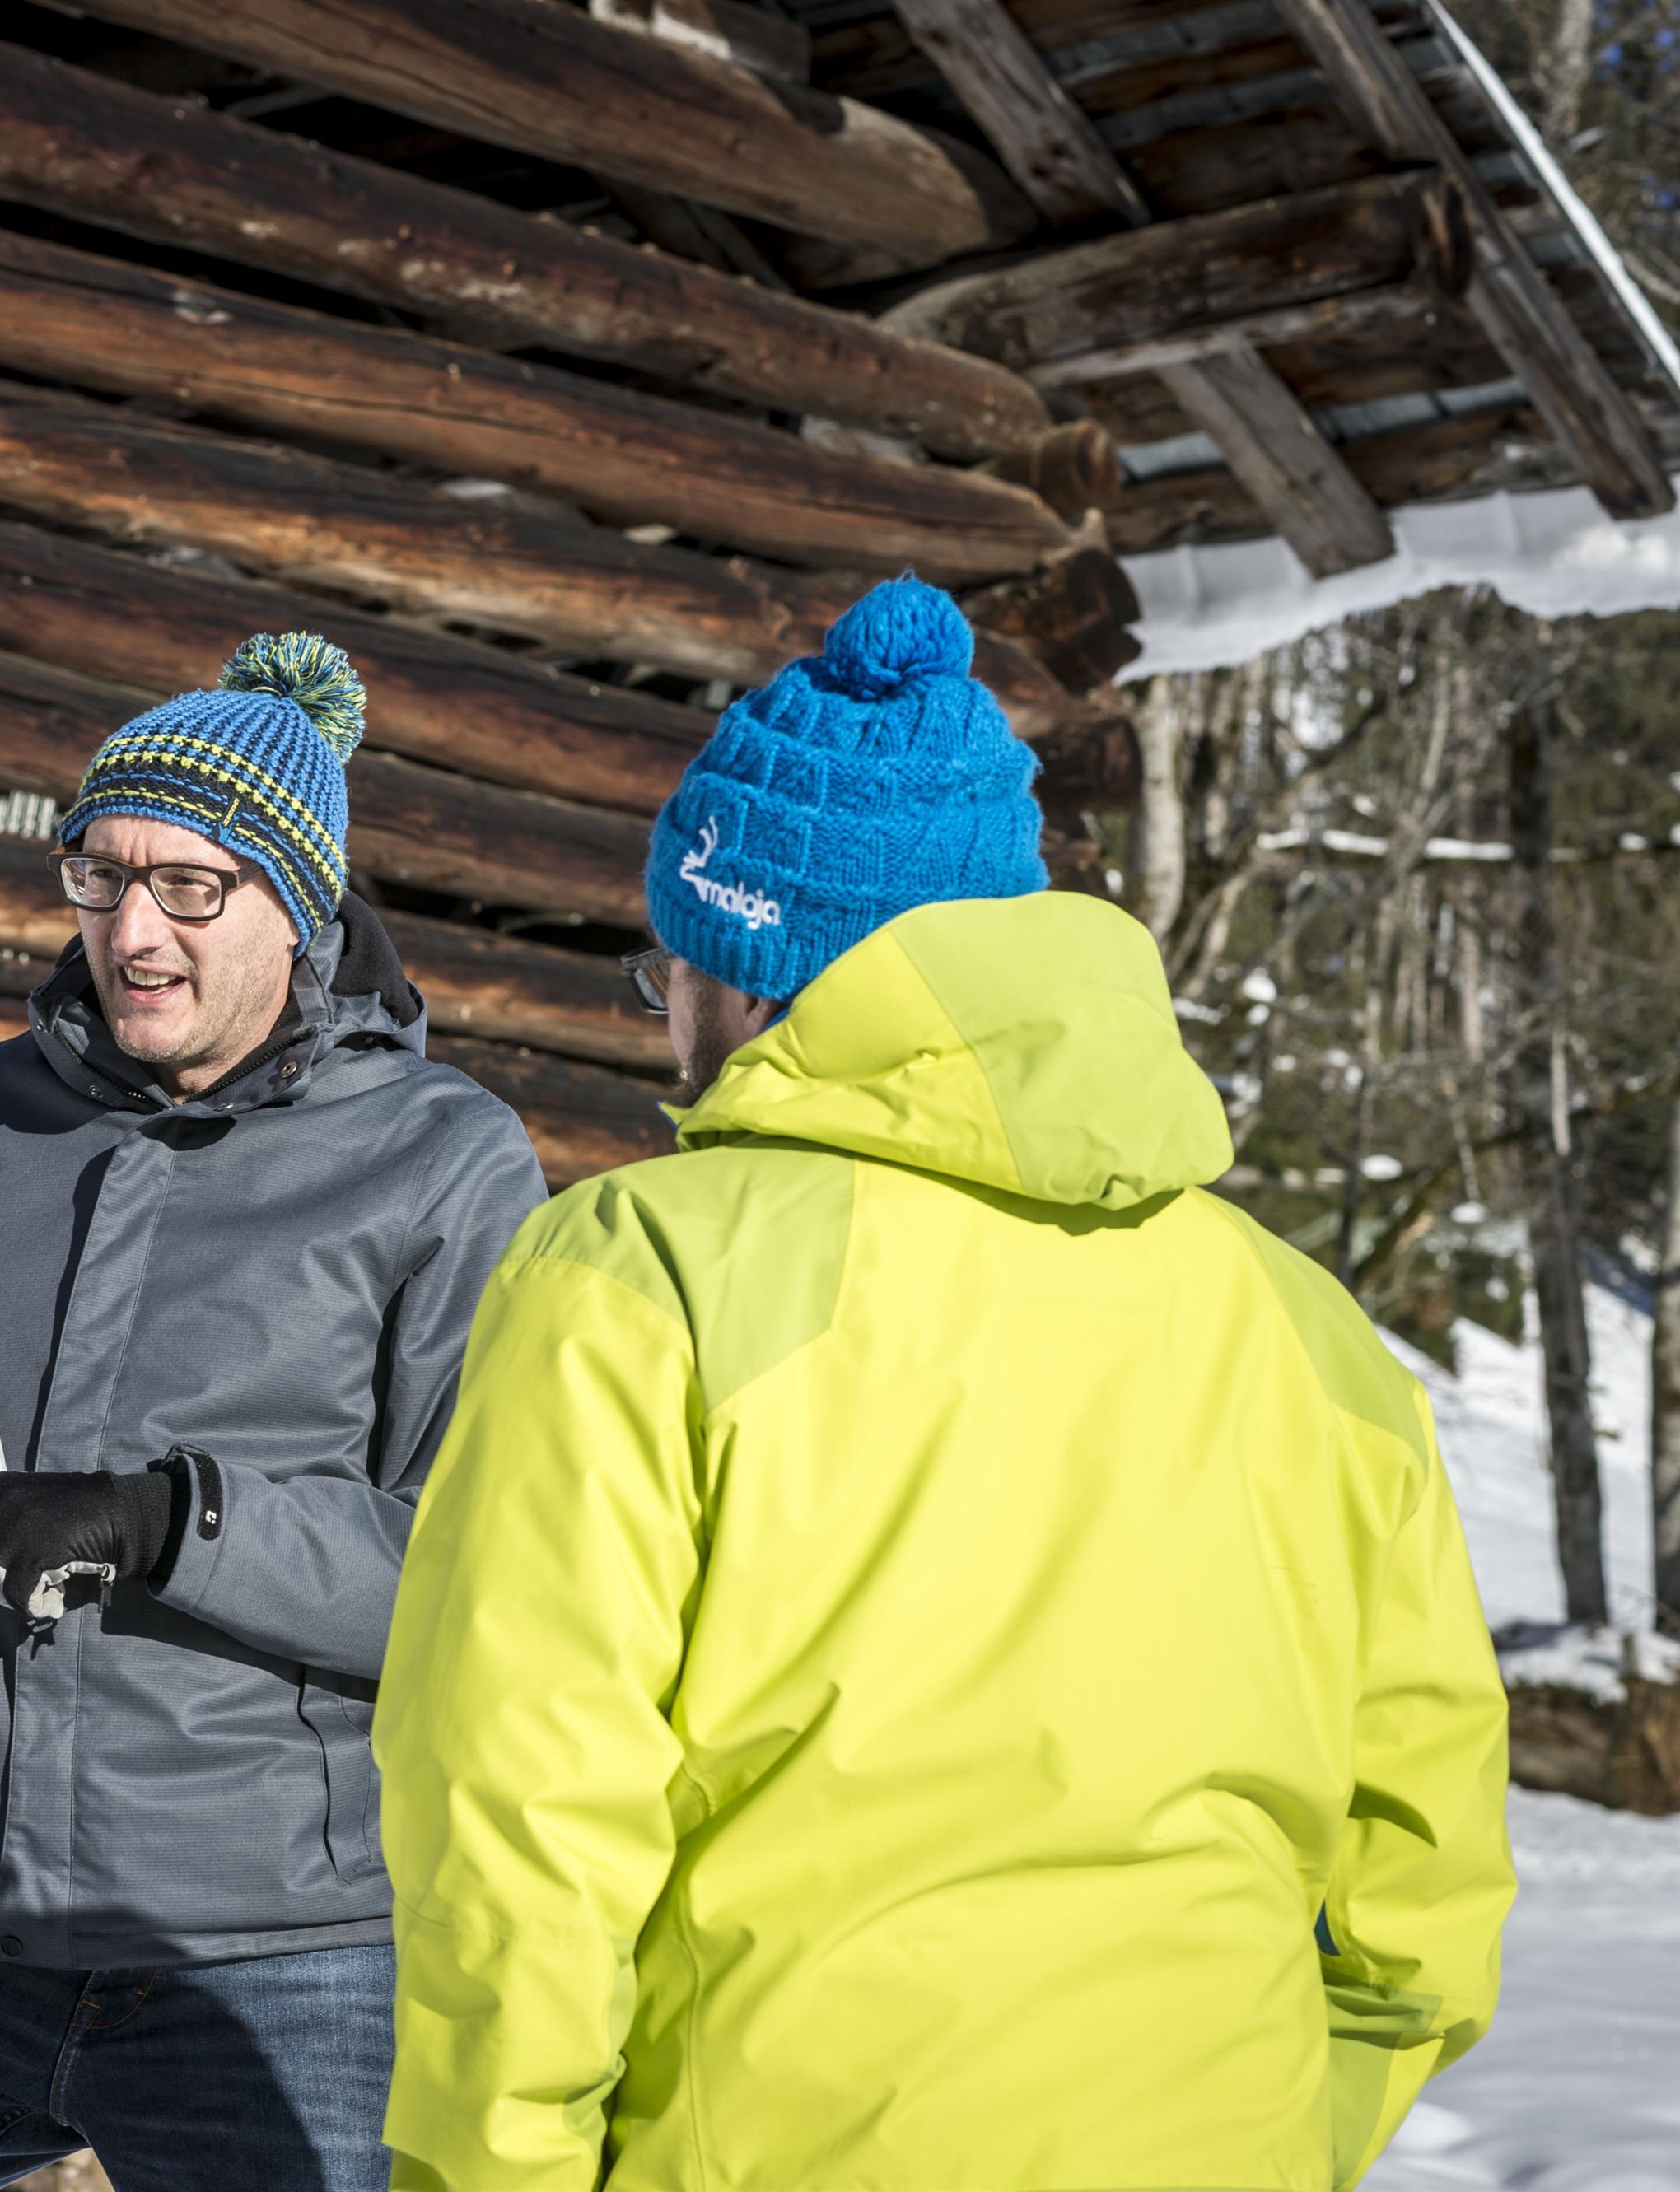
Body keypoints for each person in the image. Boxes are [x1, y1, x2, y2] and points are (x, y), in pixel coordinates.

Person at [375, 576, 1516, 2192]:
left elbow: (519, 1817)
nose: (665, 1020)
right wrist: (1293, 2123)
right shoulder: (1301, 1323)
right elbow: (1424, 1855)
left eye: (670, 969)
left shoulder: (641, 1269)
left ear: (751, 964)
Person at [0, 635, 548, 2192]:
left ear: (300, 906)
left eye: (191, 886)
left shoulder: (441, 1160)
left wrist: (165, 1523)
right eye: (100, 874)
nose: (133, 930)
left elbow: (473, 1567)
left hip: (279, 1941)